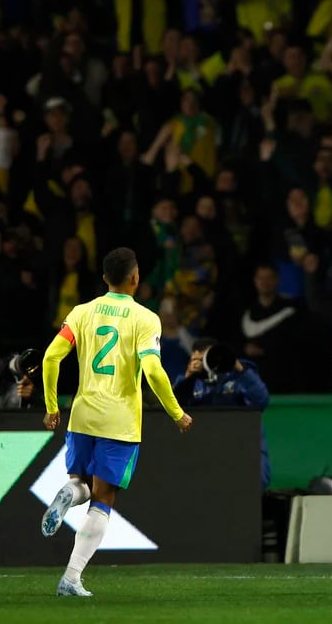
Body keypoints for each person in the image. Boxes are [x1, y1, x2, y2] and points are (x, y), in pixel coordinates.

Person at [38, 247, 193, 598]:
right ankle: (71, 577)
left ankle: (68, 492)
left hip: (82, 414)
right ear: (135, 277)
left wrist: (51, 406)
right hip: (119, 420)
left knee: (81, 483)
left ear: (105, 278)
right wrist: (176, 413)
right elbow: (152, 370)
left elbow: (51, 357)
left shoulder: (81, 312)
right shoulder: (145, 318)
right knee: (104, 498)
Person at [173, 338, 271, 489]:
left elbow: (261, 401)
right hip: (205, 450)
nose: (210, 362)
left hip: (244, 446)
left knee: (254, 483)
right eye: (204, 358)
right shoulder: (191, 382)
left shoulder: (241, 376)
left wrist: (238, 368)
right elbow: (173, 412)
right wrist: (188, 378)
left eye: (212, 356)